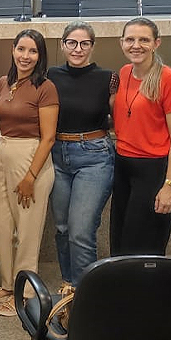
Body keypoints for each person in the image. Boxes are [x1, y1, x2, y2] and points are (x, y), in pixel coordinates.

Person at [0, 29, 58, 317]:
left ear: (40, 56)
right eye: (21, 49)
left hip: (31, 157)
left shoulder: (46, 87)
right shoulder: (4, 82)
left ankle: (24, 293)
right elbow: (2, 125)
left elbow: (48, 137)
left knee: (26, 231)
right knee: (2, 226)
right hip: (3, 154)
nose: (26, 56)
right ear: (13, 50)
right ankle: (7, 284)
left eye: (33, 51)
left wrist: (30, 177)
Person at [46, 21, 118, 289]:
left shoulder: (107, 78)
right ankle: (69, 285)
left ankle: (86, 293)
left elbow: (118, 117)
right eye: (72, 43)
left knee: (81, 230)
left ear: (92, 46)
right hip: (57, 155)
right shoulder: (51, 75)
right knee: (62, 228)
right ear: (63, 45)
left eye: (84, 43)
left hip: (94, 156)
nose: (78, 49)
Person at [111, 17, 171, 256]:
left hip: (152, 170)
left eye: (144, 40)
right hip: (123, 165)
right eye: (130, 39)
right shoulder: (124, 72)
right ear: (121, 43)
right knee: (120, 240)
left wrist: (170, 185)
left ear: (156, 43)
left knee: (143, 245)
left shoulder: (169, 79)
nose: (136, 45)